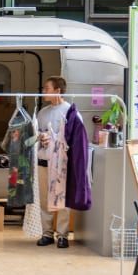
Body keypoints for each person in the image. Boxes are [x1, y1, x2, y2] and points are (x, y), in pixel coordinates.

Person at [35, 75, 90, 249]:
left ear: (58, 91)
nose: (44, 91)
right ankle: (46, 233)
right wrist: (40, 138)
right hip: (43, 160)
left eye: (47, 88)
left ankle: (63, 234)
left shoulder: (70, 112)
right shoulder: (42, 113)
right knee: (45, 198)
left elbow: (78, 138)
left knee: (62, 198)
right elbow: (35, 134)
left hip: (62, 163)